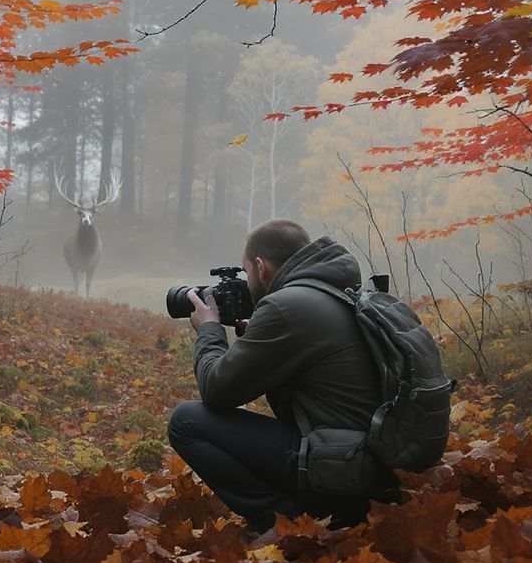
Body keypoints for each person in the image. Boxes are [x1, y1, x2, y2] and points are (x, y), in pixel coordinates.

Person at [167, 219, 396, 533]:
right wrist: (257, 335)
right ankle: (315, 511)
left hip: (343, 474)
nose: (246, 280)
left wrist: (209, 329)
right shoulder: (338, 292)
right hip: (376, 466)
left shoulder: (287, 307)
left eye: (246, 271)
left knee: (186, 421)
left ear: (261, 267)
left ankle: (284, 522)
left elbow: (216, 390)